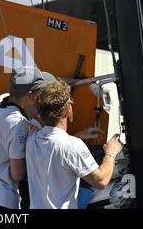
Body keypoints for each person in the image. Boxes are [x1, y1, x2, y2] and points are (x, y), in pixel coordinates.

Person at [26, 78, 123, 209]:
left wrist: (78, 136)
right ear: (68, 109)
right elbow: (101, 181)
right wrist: (111, 153)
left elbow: (53, 144)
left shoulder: (32, 138)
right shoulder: (71, 145)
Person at [0, 66, 55, 209]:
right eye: (40, 93)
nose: (42, 98)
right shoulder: (18, 125)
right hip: (2, 203)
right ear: (30, 96)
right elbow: (17, 174)